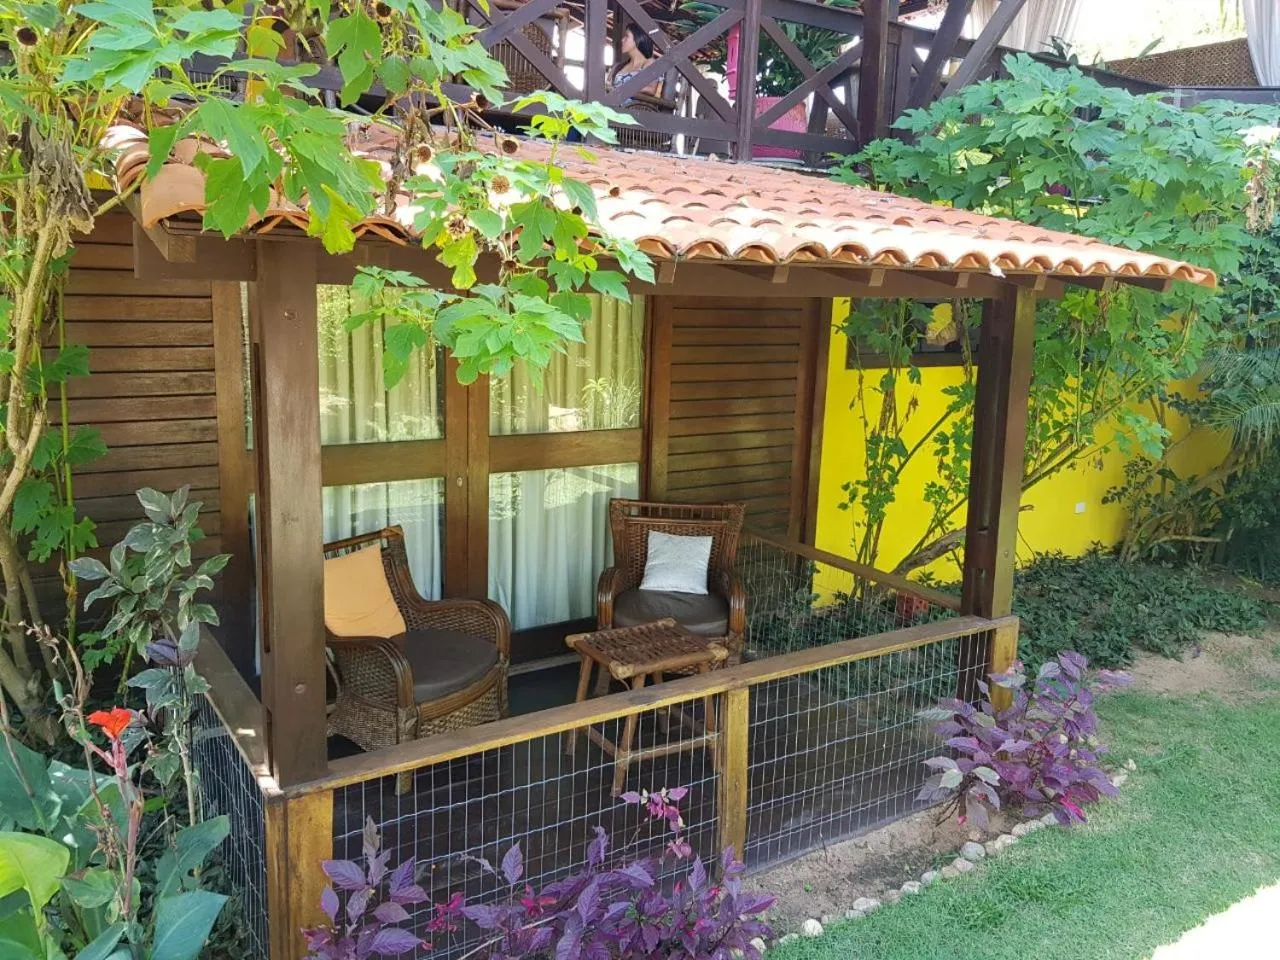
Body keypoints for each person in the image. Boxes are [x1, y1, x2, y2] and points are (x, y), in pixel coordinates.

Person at [606, 23, 661, 102]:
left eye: (627, 36)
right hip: (611, 107)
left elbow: (651, 90)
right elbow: (607, 88)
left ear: (638, 39)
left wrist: (621, 89)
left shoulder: (649, 63)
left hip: (634, 110)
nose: (622, 40)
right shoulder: (618, 67)